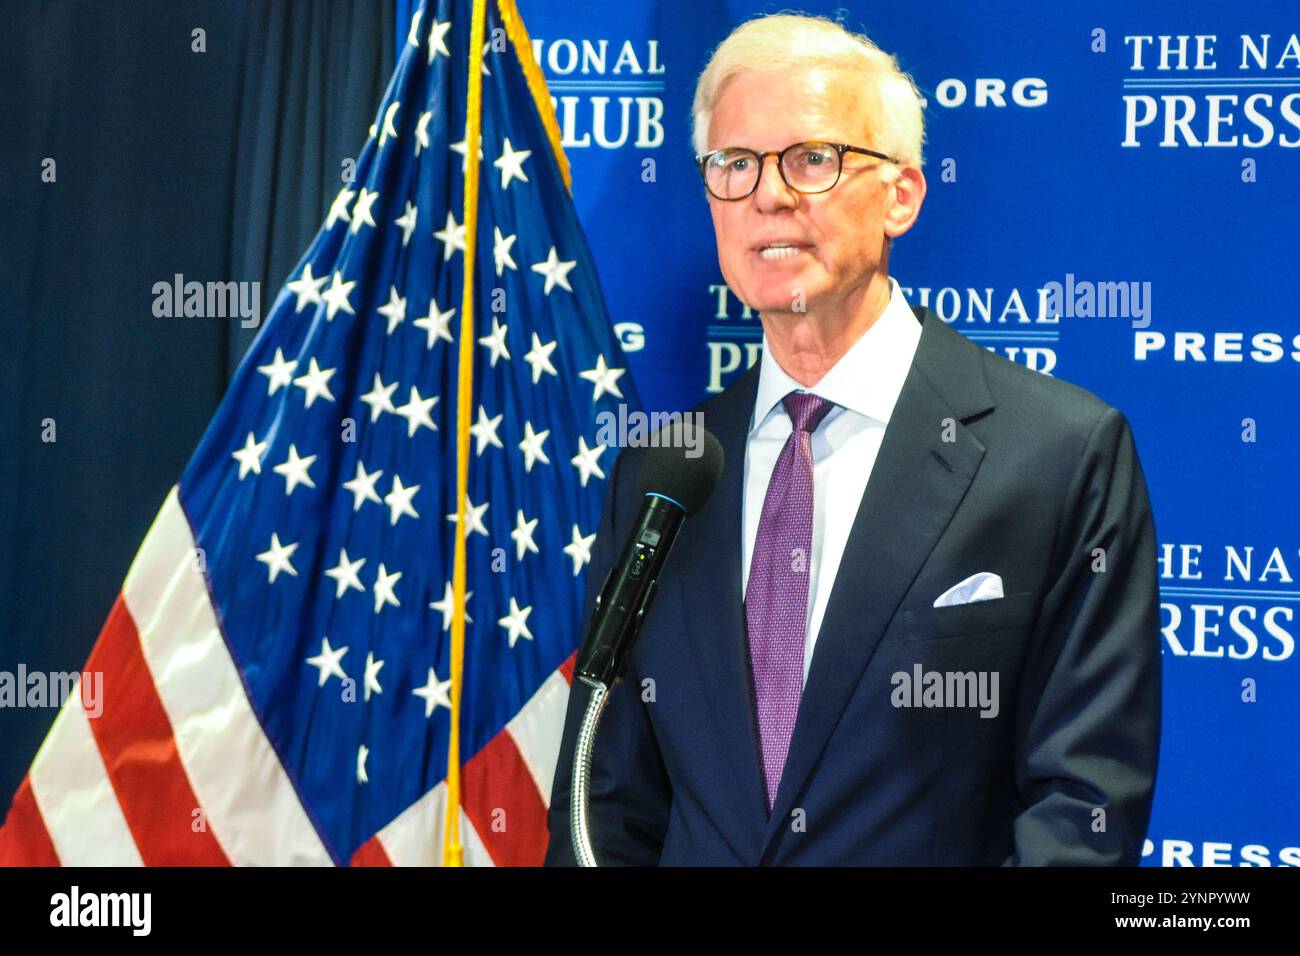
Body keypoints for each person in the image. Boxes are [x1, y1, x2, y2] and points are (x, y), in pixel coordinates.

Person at [545, 12, 1162, 866]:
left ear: (902, 195)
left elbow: (1082, 808)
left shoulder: (1059, 455)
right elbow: (603, 802)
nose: (768, 194)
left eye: (813, 159)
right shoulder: (666, 472)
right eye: (735, 164)